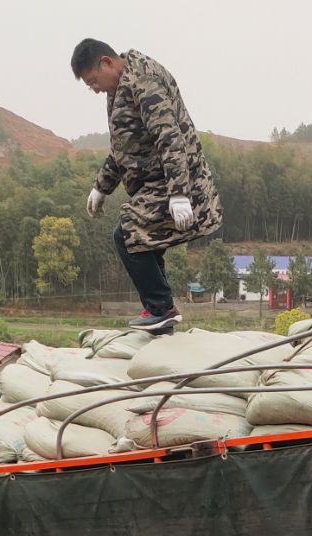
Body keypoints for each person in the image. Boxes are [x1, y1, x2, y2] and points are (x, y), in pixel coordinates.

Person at [72, 39, 223, 330]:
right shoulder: (118, 87)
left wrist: (179, 195)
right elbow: (125, 146)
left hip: (178, 180)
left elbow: (169, 138)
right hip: (156, 183)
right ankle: (160, 316)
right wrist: (102, 186)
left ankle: (161, 308)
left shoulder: (143, 81)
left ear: (106, 63)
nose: (95, 89)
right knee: (145, 245)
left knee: (127, 234)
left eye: (93, 81)